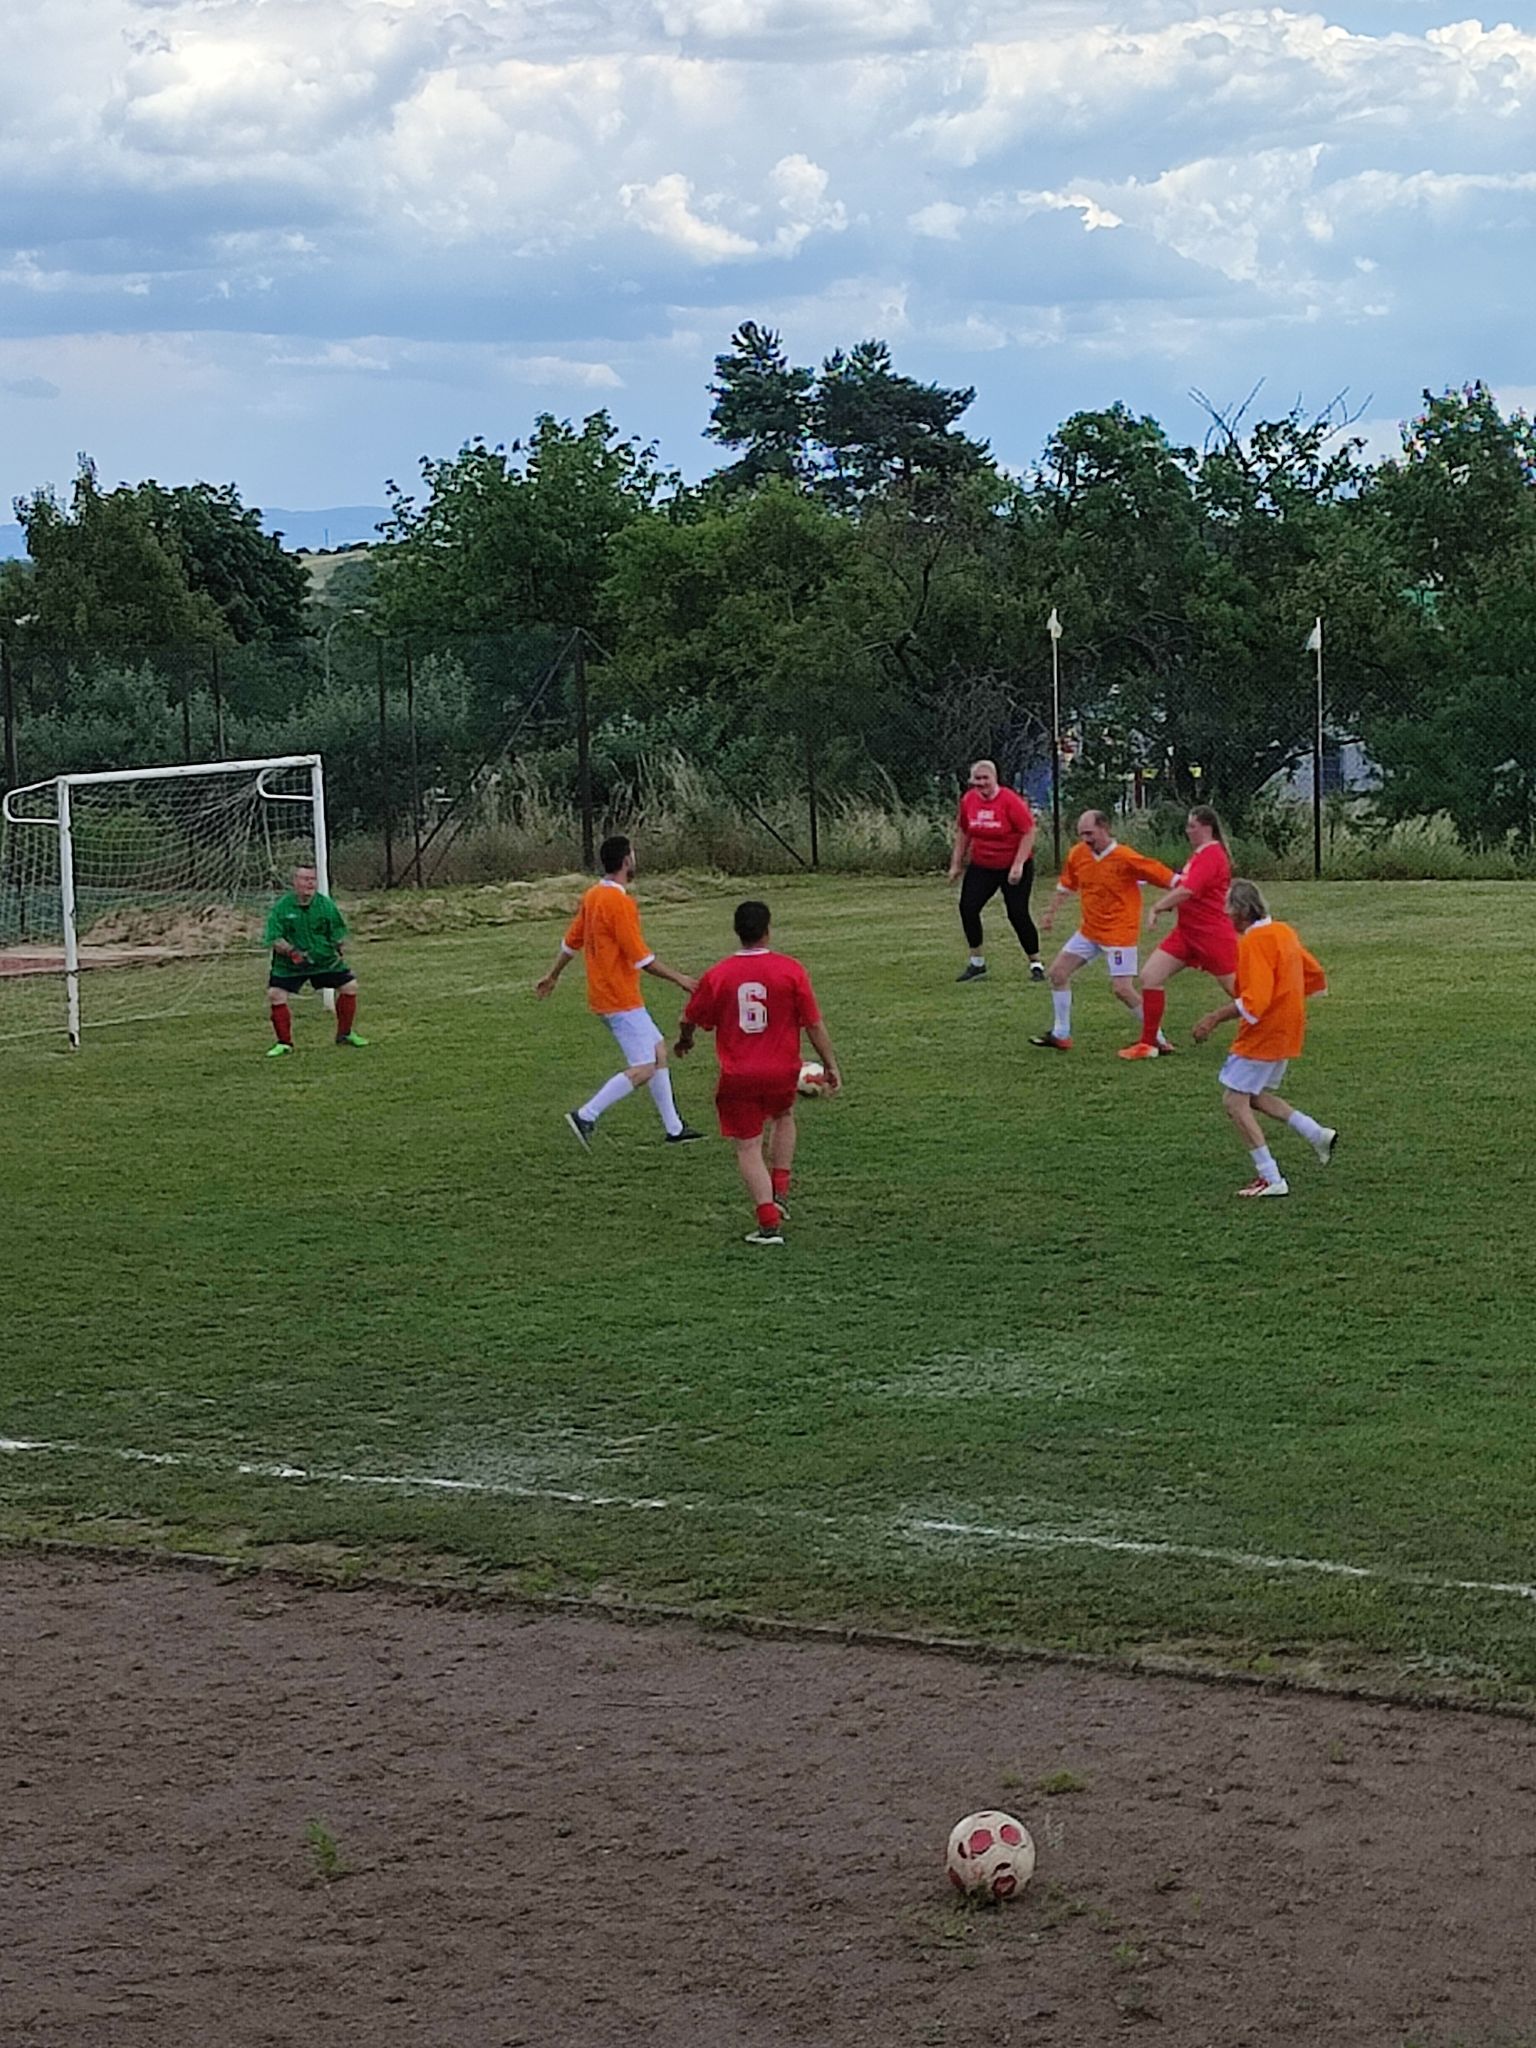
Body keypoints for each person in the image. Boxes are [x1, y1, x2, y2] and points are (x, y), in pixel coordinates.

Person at [674, 899, 841, 1246]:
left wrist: (685, 1040)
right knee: (784, 1115)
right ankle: (779, 1191)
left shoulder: (719, 974)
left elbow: (688, 1017)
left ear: (737, 932)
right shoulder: (790, 970)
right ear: (768, 930)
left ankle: (768, 1222)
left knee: (748, 1146)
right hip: (782, 1069)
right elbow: (813, 1024)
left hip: (739, 1074)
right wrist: (830, 1064)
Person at [536, 835, 702, 1148]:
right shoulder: (620, 903)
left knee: (658, 1051)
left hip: (608, 995)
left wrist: (553, 975)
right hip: (619, 998)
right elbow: (642, 959)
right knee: (645, 1067)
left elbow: (571, 942)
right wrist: (680, 979)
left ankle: (675, 1128)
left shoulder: (593, 895)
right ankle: (586, 1115)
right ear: (627, 861)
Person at [1191, 879, 1337, 1198]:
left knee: (1233, 1101)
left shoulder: (1254, 942)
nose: (1225, 913)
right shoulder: (1284, 931)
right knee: (1252, 1096)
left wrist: (1213, 1018)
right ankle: (1316, 1134)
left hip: (1264, 1032)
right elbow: (1312, 970)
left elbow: (1254, 1000)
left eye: (1228, 907)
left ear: (1242, 911)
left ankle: (1271, 1177)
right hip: (1288, 1027)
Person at [1030, 811, 1174, 1051]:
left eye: (1089, 833)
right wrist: (1050, 913)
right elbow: (1067, 884)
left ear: (1105, 828)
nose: (1085, 839)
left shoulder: (1125, 857)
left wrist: (1187, 890)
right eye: (1081, 834)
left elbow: (1165, 876)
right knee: (1058, 974)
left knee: (1122, 989)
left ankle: (1157, 1037)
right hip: (1090, 931)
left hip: (1119, 934)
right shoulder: (1078, 854)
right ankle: (1061, 1034)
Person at [1121, 804, 1238, 1060]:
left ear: (1207, 828)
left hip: (1212, 936)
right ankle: (1148, 1044)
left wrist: (1158, 907)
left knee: (1243, 994)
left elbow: (1188, 890)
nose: (1187, 831)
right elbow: (1186, 888)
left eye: (1192, 826)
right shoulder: (1199, 855)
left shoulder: (1212, 855)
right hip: (1186, 933)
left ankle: (1274, 1024)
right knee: (1150, 976)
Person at [949, 760, 1045, 982]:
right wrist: (956, 863)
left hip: (1012, 864)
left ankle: (1036, 963)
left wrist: (1018, 865)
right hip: (983, 864)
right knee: (968, 908)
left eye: (986, 778)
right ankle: (977, 963)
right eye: (977, 779)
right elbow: (964, 832)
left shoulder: (1010, 801)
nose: (981, 783)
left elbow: (1028, 831)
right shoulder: (969, 800)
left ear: (995, 779)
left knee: (1017, 913)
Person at [264, 863, 367, 1057]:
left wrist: (339, 946)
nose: (310, 883)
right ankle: (284, 1043)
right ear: (295, 882)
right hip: (290, 964)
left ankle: (344, 1034)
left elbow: (338, 931)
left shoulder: (325, 905)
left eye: (313, 879)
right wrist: (293, 952)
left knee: (350, 986)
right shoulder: (281, 907)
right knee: (275, 994)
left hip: (323, 961)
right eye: (305, 879)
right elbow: (274, 938)